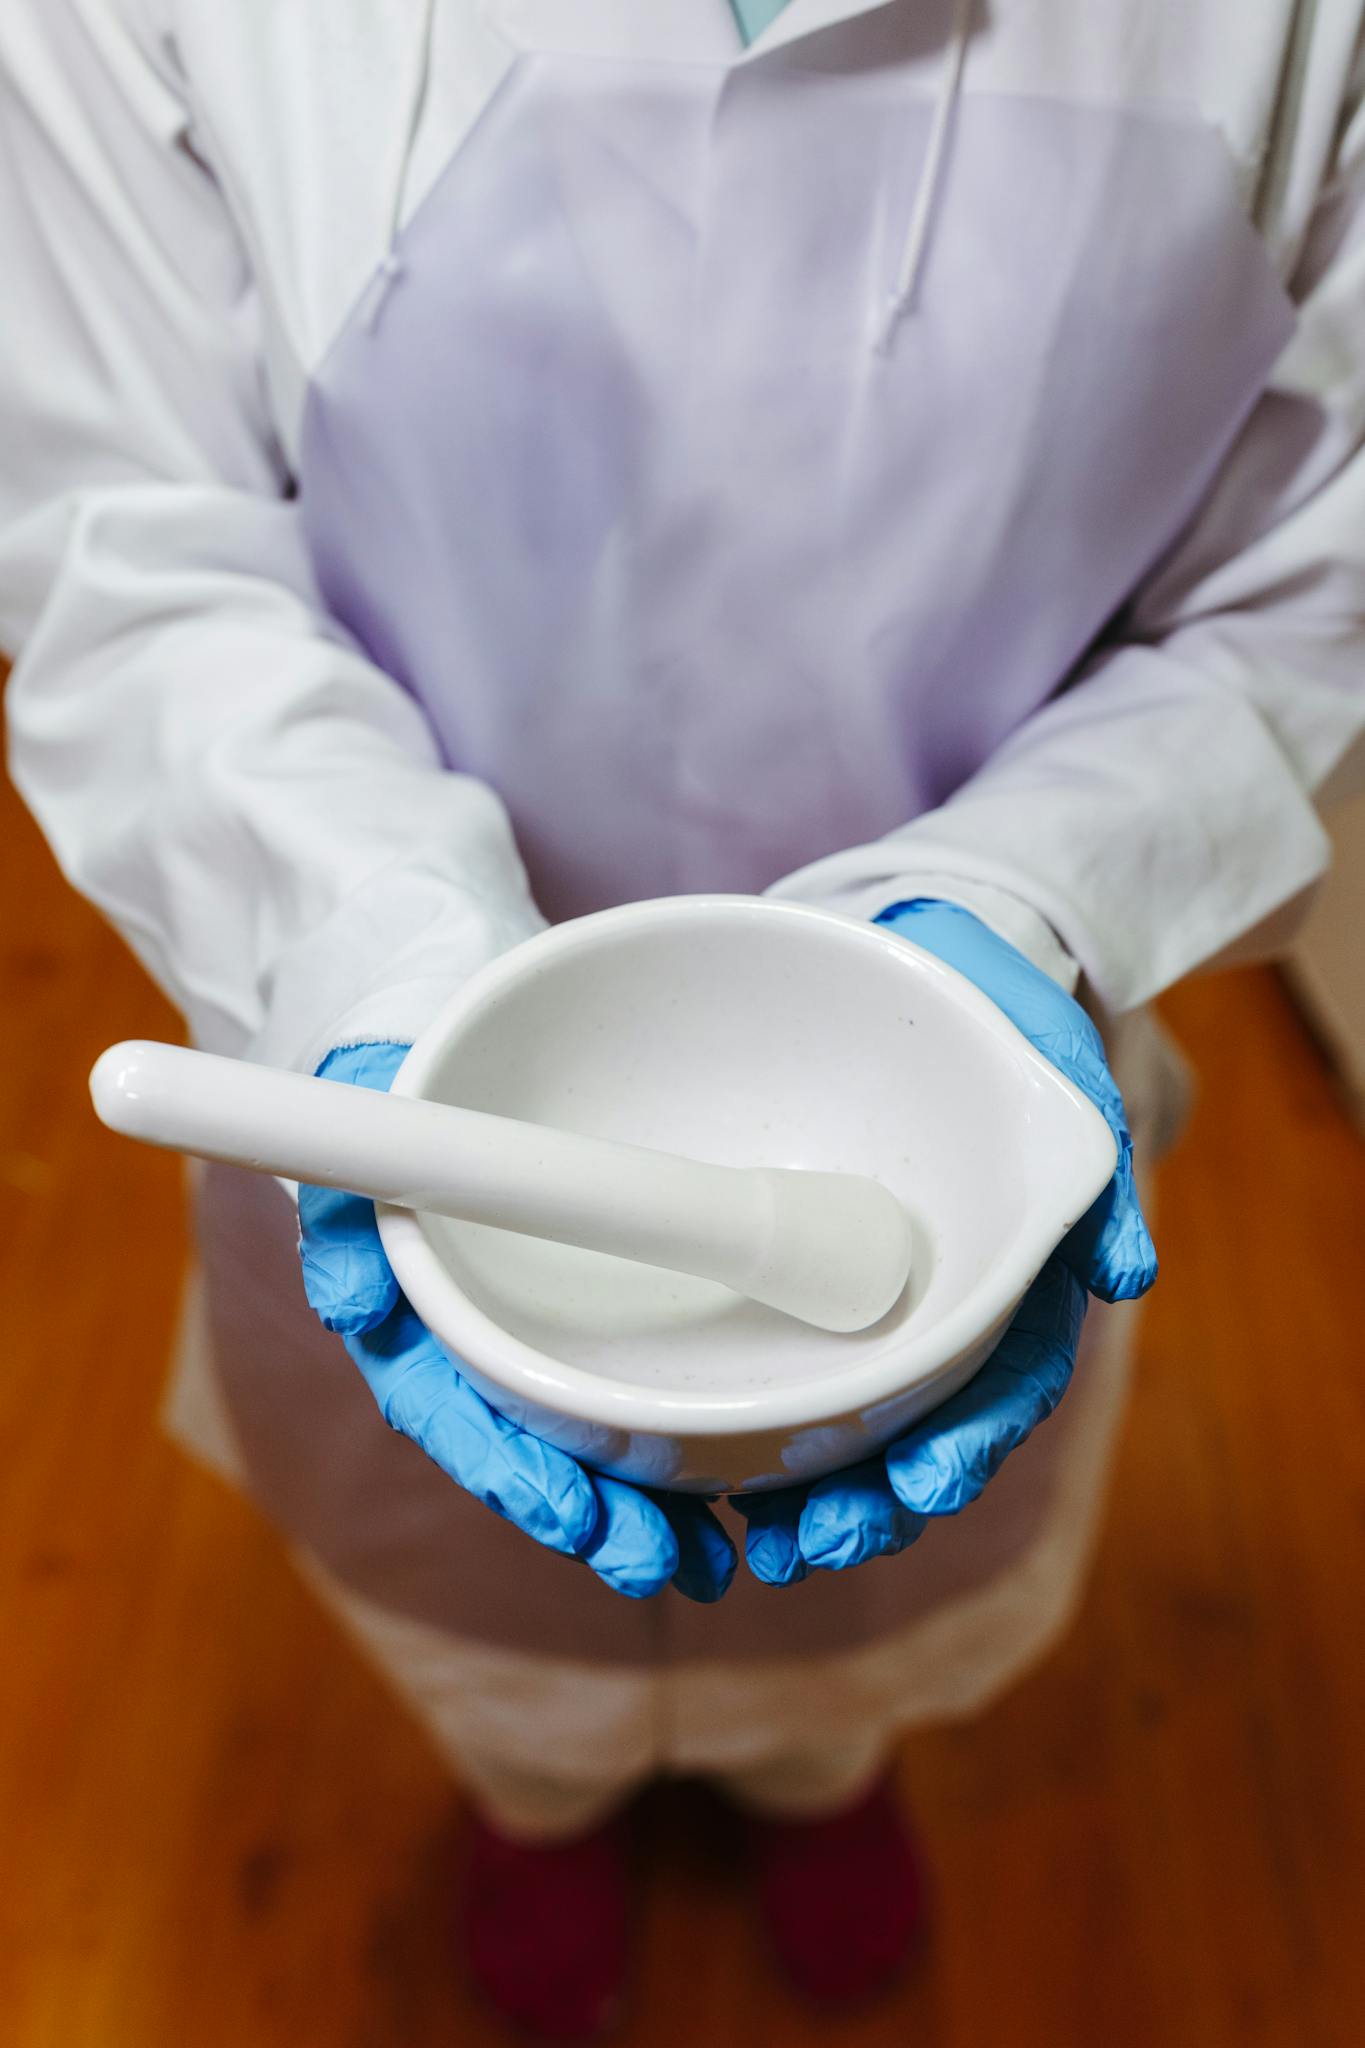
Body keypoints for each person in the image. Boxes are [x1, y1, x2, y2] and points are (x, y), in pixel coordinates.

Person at [3, 0, 1363, 2036]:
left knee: (859, 1598)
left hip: (964, 1075)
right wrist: (369, 957)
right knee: (491, 1625)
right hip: (401, 1058)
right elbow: (130, 549)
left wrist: (1023, 898)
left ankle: (817, 1765)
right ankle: (534, 1793)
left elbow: (1315, 589)